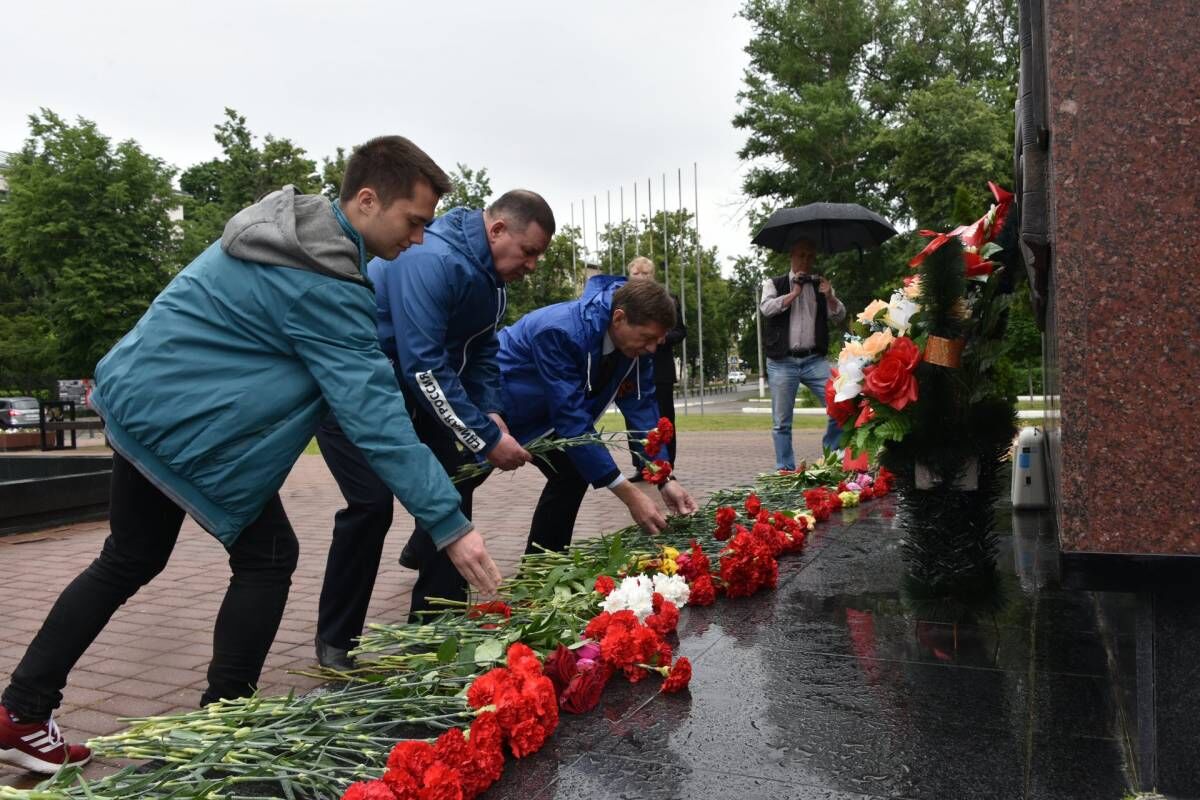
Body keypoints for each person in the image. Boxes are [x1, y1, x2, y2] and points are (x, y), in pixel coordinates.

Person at [0, 136, 502, 775]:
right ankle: (222, 723)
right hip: (176, 421)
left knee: (130, 557)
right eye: (414, 222)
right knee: (266, 556)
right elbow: (375, 418)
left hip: (140, 400)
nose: (419, 239)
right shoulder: (322, 279)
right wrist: (449, 523)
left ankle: (22, 710)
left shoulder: (286, 232)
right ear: (368, 199)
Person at [315, 190, 552, 659]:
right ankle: (336, 639)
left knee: (454, 486)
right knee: (371, 505)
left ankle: (434, 631)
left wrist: (489, 409)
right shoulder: (432, 258)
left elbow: (483, 350)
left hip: (416, 394)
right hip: (354, 392)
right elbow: (423, 364)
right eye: (528, 252)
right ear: (498, 229)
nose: (531, 266)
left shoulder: (492, 281)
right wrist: (486, 440)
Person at [497, 275, 699, 552]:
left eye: (658, 340)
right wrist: (628, 494)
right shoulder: (562, 331)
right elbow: (571, 417)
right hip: (497, 405)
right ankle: (436, 553)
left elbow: (642, 408)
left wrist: (664, 478)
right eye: (648, 338)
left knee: (572, 473)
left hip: (546, 414)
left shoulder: (635, 349)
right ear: (619, 319)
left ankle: (541, 568)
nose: (653, 348)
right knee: (459, 482)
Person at [759, 235, 846, 469]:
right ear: (792, 256)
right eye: (801, 255)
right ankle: (785, 469)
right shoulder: (773, 284)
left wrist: (830, 296)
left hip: (814, 360)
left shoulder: (821, 286)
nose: (806, 260)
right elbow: (766, 309)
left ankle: (833, 458)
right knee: (782, 422)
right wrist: (793, 294)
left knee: (840, 404)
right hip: (782, 362)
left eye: (810, 256)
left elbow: (839, 316)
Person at [623, 257, 685, 480]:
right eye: (636, 274)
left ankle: (666, 466)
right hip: (632, 367)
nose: (640, 278)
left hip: (660, 368)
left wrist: (659, 337)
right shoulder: (623, 302)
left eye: (645, 274)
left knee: (664, 418)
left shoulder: (669, 301)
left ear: (653, 277)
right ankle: (642, 466)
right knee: (633, 419)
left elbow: (681, 331)